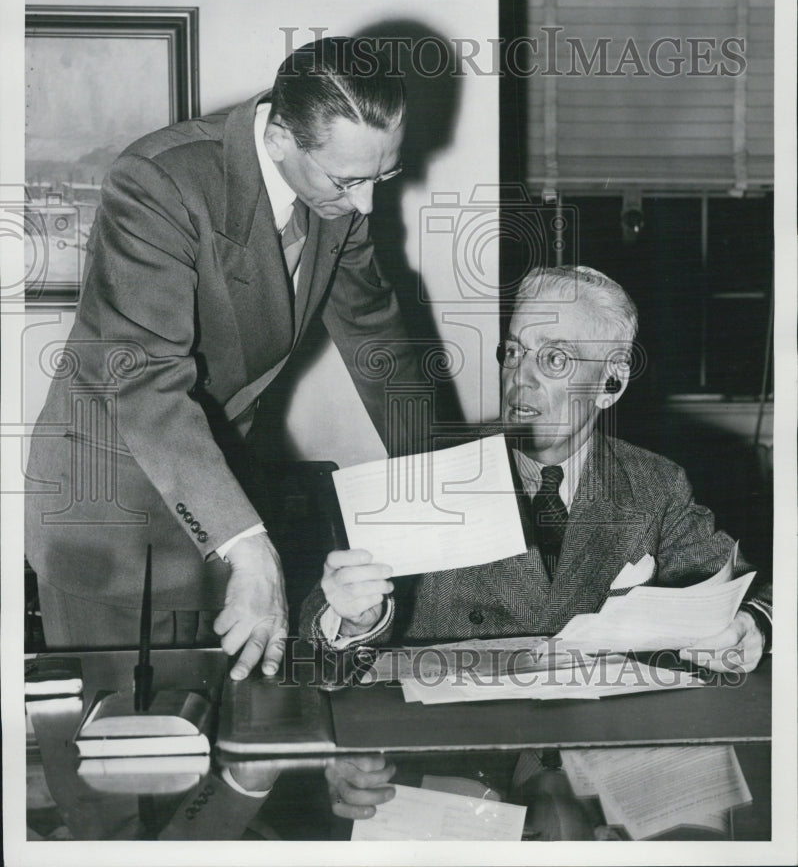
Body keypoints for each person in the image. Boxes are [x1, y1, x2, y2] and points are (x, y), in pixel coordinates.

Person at [25, 36, 421, 679]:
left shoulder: (340, 193)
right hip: (107, 509)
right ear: (280, 138)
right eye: (349, 181)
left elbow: (378, 335)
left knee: (229, 724)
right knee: (123, 746)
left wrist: (443, 474)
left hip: (218, 497)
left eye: (382, 177)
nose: (365, 204)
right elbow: (144, 380)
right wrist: (247, 546)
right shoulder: (161, 181)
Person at [302, 265, 771, 672]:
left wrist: (751, 626)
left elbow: (748, 587)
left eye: (554, 358)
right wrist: (352, 618)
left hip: (591, 744)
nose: (520, 377)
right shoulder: (431, 470)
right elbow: (321, 623)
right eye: (513, 352)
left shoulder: (655, 486)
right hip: (464, 752)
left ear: (611, 383)